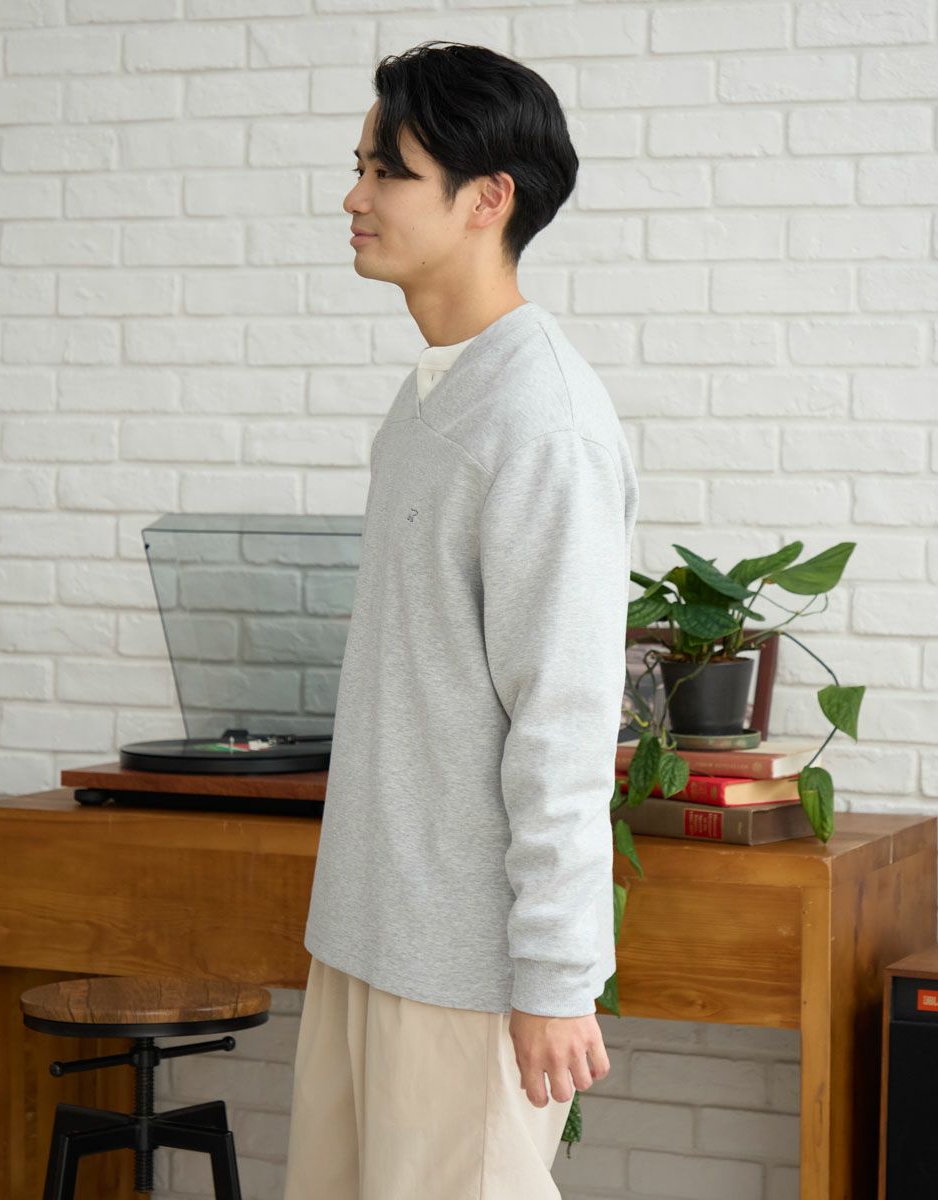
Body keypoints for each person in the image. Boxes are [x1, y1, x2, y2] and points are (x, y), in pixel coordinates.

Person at [283, 39, 639, 1200]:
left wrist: (556, 980)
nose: (355, 196)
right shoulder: (430, 397)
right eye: (359, 167)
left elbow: (563, 720)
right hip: (367, 935)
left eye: (387, 171)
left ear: (488, 199)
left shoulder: (543, 423)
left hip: (464, 968)